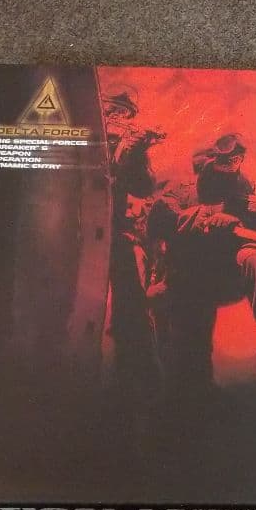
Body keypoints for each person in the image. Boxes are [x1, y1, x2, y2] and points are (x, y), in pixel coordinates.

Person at [147, 132, 256, 389]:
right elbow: (160, 220)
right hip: (191, 280)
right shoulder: (182, 190)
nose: (224, 180)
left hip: (233, 277)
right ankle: (191, 371)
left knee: (255, 256)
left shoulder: (246, 188)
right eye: (218, 170)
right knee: (190, 372)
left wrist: (243, 223)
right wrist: (205, 218)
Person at [102, 88, 164, 392]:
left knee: (131, 297)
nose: (118, 118)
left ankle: (136, 372)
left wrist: (137, 153)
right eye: (113, 111)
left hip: (117, 232)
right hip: (77, 228)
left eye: (124, 114)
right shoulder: (86, 138)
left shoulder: (128, 147)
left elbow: (144, 187)